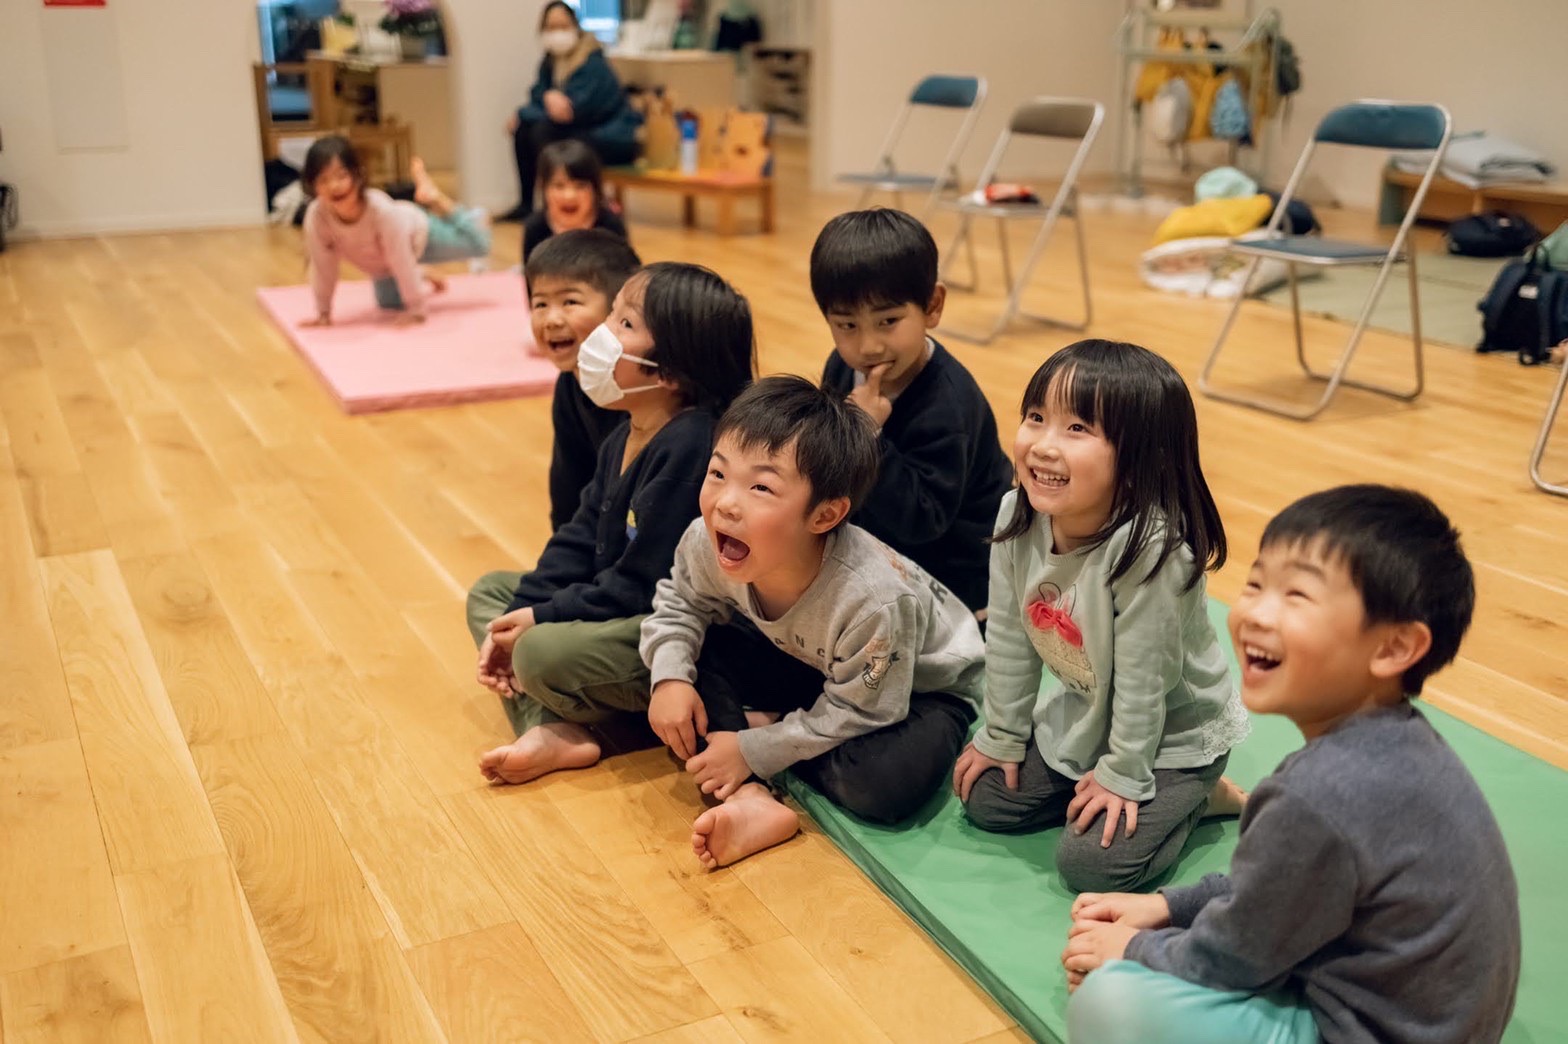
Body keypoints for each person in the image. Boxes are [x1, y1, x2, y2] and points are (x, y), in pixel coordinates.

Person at [1062, 485, 1521, 1044]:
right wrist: (1166, 905)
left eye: (1296, 595)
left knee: (1110, 1002)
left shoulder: (1318, 793)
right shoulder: (1402, 744)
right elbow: (1279, 889)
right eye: (1255, 585)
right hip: (1437, 1021)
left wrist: (1131, 950)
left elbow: (1231, 958)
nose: (1255, 611)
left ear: (1394, 648)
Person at [640, 376, 984, 869]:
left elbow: (868, 710)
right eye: (718, 473)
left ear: (824, 516)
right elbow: (681, 602)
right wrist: (670, 676)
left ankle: (765, 739)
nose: (726, 502)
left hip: (914, 692)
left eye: (760, 487)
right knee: (690, 662)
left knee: (883, 786)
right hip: (815, 663)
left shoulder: (872, 600)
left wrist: (756, 746)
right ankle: (752, 794)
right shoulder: (707, 539)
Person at [952, 340, 1251, 893]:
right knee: (986, 796)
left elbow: (1144, 685)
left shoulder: (1152, 551)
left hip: (1169, 737)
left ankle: (1201, 795)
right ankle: (1109, 782)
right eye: (1037, 417)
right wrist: (1002, 734)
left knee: (1090, 865)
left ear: (1139, 461)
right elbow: (1012, 638)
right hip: (1088, 715)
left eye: (1077, 429)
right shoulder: (1017, 512)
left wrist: (1123, 778)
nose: (1043, 445)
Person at [466, 262, 754, 784]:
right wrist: (522, 610)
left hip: (674, 633)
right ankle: (556, 728)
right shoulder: (628, 429)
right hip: (616, 604)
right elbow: (578, 536)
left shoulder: (691, 446)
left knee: (539, 652)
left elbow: (643, 586)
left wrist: (539, 622)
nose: (601, 334)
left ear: (667, 370)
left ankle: (579, 720)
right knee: (491, 597)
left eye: (624, 324)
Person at [812, 208, 1012, 615]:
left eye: (888, 321)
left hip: (956, 582)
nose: (868, 346)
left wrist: (866, 434)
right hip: (880, 553)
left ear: (932, 306)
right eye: (847, 325)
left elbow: (923, 520)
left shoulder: (948, 404)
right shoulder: (841, 366)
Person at [524, 229, 642, 531]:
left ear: (617, 310)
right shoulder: (569, 383)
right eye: (540, 304)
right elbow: (567, 487)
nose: (551, 319)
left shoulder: (640, 392)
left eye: (570, 302)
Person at [301, 138, 491, 326]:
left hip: (418, 236)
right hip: (385, 264)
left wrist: (417, 309)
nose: (333, 186)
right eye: (323, 180)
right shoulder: (317, 217)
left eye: (341, 176)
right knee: (388, 302)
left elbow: (400, 258)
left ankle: (438, 198)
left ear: (357, 175)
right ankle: (421, 272)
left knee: (480, 245)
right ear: (313, 185)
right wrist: (323, 312)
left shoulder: (381, 211)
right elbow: (323, 266)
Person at [501, 2, 639, 223]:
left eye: (563, 26)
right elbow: (539, 94)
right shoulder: (551, 62)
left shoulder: (592, 62)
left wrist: (531, 110)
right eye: (551, 27)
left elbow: (570, 111)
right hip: (579, 131)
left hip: (610, 137)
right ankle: (527, 204)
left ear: (576, 26)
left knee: (542, 131)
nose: (557, 33)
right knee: (525, 128)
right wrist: (527, 111)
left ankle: (554, 202)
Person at [522, 139, 630, 264]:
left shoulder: (611, 226)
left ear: (595, 189)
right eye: (559, 186)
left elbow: (625, 274)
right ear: (543, 187)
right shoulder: (535, 228)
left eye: (580, 186)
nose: (569, 195)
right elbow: (531, 278)